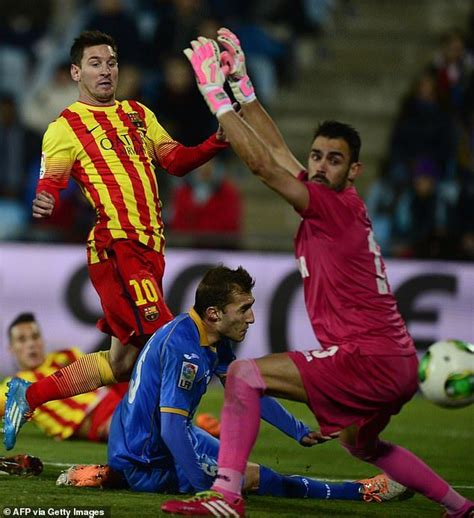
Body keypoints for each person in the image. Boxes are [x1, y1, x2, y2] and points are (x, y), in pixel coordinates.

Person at [161, 29, 474, 517]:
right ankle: (459, 505)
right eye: (317, 157)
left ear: (355, 171)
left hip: (365, 358)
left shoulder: (331, 206)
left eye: (335, 159)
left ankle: (225, 496)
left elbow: (265, 167)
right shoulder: (334, 200)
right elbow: (280, 155)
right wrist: (244, 90)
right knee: (362, 446)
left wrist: (215, 98)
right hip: (397, 363)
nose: (321, 166)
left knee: (244, 374)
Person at [3, 30, 229, 451]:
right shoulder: (65, 127)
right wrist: (44, 201)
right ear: (76, 72)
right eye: (95, 63)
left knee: (121, 363)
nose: (106, 70)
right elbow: (50, 183)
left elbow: (175, 161)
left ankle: (29, 395)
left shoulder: (139, 114)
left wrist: (218, 140)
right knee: (169, 338)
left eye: (111, 62)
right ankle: (177, 440)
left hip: (151, 249)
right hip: (117, 247)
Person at [57, 265, 410, 504]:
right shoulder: (187, 352)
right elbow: (171, 429)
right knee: (254, 477)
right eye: (243, 309)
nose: (252, 318)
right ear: (214, 313)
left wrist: (298, 430)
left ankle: (114, 474)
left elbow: (247, 388)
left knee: (231, 463)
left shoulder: (205, 335)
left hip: (144, 440)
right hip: (149, 458)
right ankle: (361, 491)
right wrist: (204, 491)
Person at [0, 313, 127, 443]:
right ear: (11, 348)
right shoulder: (14, 385)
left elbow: (106, 375)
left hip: (118, 397)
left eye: (35, 337)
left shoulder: (66, 356)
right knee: (133, 429)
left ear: (42, 341)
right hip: (97, 419)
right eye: (22, 339)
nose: (31, 344)